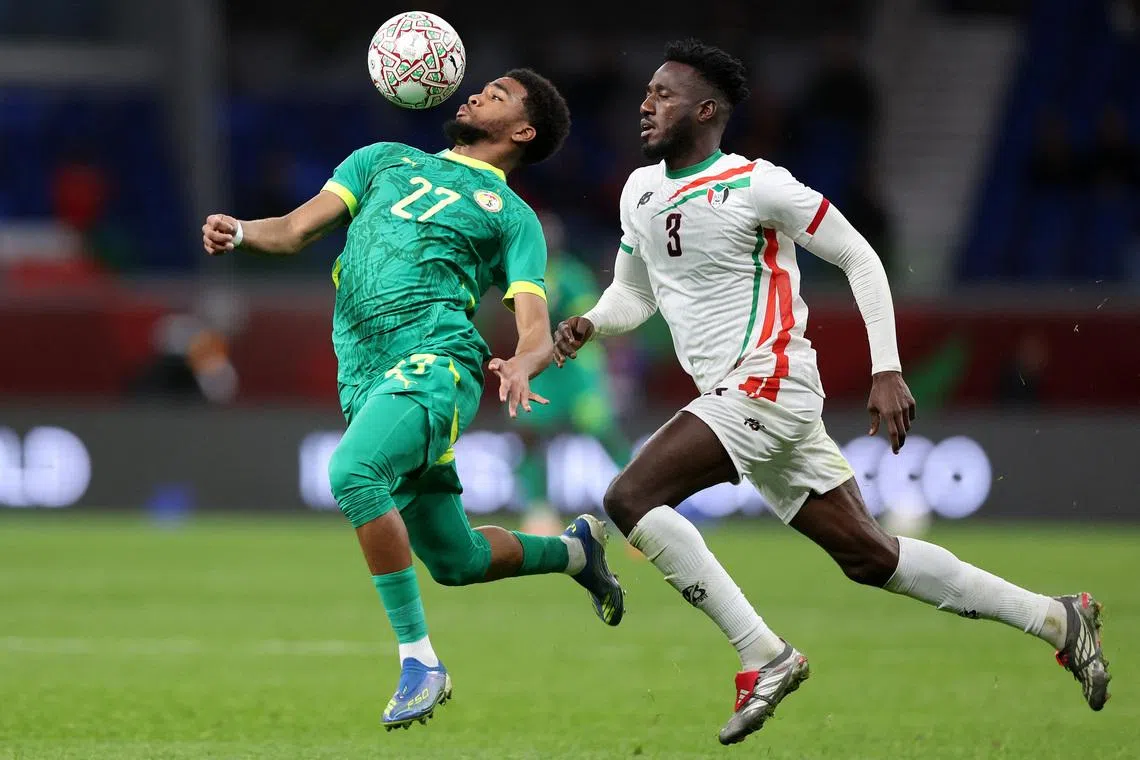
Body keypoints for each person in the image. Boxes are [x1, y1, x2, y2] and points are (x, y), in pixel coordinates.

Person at [553, 40, 1110, 746]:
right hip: (741, 397)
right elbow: (632, 299)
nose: (644, 103)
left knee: (629, 499)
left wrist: (887, 368)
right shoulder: (640, 192)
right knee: (871, 557)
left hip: (769, 381)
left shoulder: (759, 185)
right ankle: (1059, 618)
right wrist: (589, 324)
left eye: (662, 93)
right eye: (646, 92)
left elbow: (858, 255)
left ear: (706, 109)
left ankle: (764, 656)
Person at [202, 69, 624, 731]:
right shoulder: (379, 160)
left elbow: (536, 327)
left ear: (523, 130)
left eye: (499, 94)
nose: (478, 93)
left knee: (352, 472)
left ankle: (420, 661)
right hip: (364, 372)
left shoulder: (514, 219)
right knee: (457, 561)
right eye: (481, 87)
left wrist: (523, 361)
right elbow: (291, 230)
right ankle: (574, 551)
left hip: (437, 364)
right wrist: (241, 231)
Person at [513, 210, 630, 533]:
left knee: (602, 431)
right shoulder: (522, 274)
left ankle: (639, 498)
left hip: (578, 369)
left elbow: (587, 318)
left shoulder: (570, 275)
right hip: (543, 369)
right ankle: (539, 511)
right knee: (529, 435)